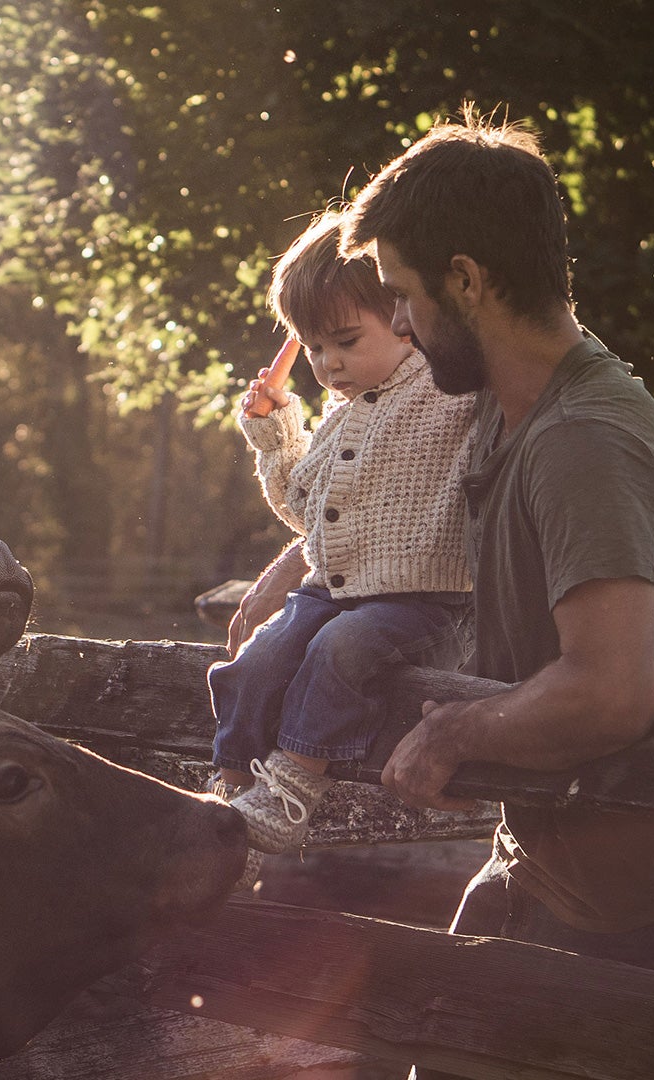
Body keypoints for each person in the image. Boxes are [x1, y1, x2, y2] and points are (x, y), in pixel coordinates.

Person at [339, 108, 654, 995]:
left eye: (406, 292)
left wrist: (452, 735)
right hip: (560, 871)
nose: (398, 318)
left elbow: (609, 692)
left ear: (466, 280)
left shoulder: (583, 438)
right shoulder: (505, 406)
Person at [207, 209, 477, 863]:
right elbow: (306, 508)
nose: (328, 364)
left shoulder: (451, 390)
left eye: (346, 342)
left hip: (425, 599)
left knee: (340, 649)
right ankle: (232, 781)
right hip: (337, 588)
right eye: (316, 347)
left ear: (407, 320)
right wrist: (276, 435)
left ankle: (292, 790)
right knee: (262, 658)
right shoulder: (344, 412)